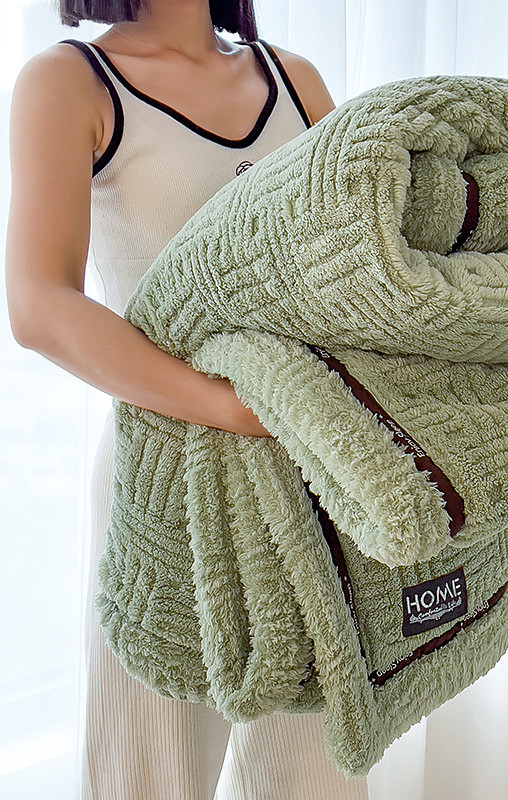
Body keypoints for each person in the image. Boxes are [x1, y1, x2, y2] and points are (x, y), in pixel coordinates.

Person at [4, 1, 370, 798]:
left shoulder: (293, 79)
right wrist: (229, 406)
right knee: (149, 777)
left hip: (307, 473)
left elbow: (359, 265)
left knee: (316, 777)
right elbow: (38, 305)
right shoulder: (71, 82)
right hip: (167, 479)